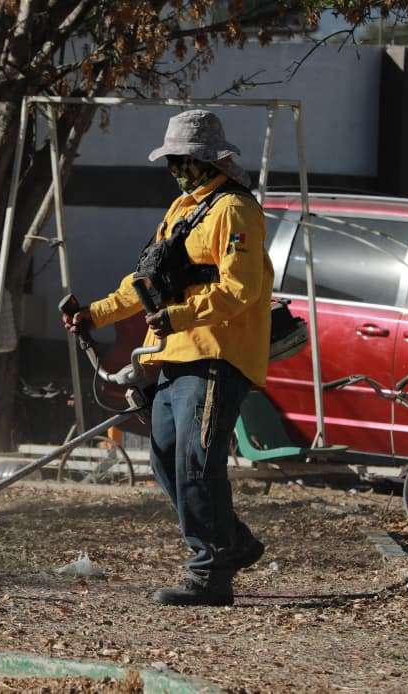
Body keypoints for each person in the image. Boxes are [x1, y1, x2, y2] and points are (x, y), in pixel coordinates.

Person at [63, 110, 274, 606]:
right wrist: (94, 314)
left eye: (182, 160)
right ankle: (233, 541)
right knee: (165, 458)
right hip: (173, 355)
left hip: (218, 354)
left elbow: (241, 289)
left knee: (198, 461)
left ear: (208, 160)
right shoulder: (181, 211)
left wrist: (178, 316)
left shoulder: (235, 210)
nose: (175, 170)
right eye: (170, 162)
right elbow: (145, 283)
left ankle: (209, 574)